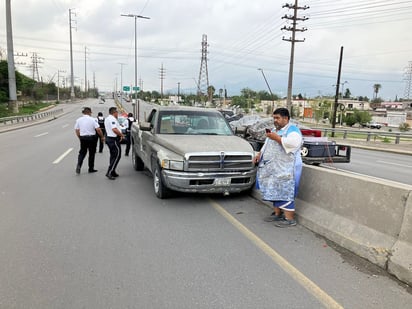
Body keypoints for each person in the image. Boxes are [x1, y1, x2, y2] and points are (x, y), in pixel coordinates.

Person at [254, 107, 303, 227]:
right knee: (274, 190)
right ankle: (277, 214)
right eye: (274, 118)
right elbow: (266, 144)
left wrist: (276, 138)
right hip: (273, 168)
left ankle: (289, 219)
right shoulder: (274, 130)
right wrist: (259, 154)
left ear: (286, 118)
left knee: (285, 191)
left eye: (277, 118)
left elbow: (293, 143)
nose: (275, 120)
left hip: (286, 168)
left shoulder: (292, 130)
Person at [74, 107, 104, 174]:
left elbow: (77, 130)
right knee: (91, 153)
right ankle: (91, 168)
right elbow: (98, 129)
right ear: (90, 112)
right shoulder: (93, 120)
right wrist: (102, 137)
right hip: (92, 138)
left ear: (83, 113)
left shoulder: (79, 120)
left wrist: (80, 137)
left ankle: (79, 165)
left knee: (82, 152)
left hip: (83, 138)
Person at [104, 107, 124, 180]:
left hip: (109, 138)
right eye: (117, 112)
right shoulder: (112, 119)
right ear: (114, 112)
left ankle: (113, 171)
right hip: (113, 139)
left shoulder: (107, 118)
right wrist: (121, 135)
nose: (117, 114)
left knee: (113, 156)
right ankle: (109, 172)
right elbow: (114, 129)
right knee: (117, 156)